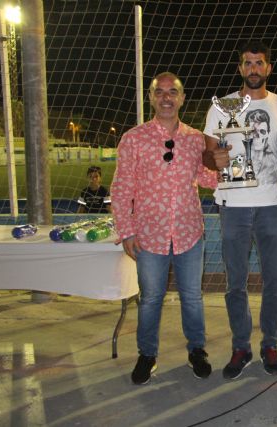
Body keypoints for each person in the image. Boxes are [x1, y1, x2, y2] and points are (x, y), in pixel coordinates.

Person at [111, 72, 217, 385]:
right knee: (151, 298)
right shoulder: (133, 138)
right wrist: (126, 231)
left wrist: (227, 165)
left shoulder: (196, 138)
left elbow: (208, 180)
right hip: (148, 235)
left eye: (173, 92)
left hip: (188, 232)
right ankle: (147, 354)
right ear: (152, 98)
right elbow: (121, 188)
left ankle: (197, 350)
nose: (167, 98)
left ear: (183, 98)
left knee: (192, 298)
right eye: (160, 92)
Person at [203, 40, 277, 380]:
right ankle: (240, 346)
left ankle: (270, 343)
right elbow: (208, 153)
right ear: (240, 68)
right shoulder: (224, 105)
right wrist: (212, 159)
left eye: (260, 62)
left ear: (269, 68)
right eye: (248, 63)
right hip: (233, 207)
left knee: (275, 281)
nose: (254, 68)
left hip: (271, 205)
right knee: (236, 284)